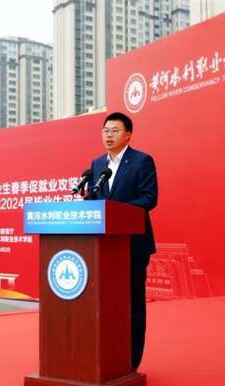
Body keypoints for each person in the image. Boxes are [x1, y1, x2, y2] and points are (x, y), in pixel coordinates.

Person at [87, 111, 158, 371]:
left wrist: (116, 212)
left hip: (132, 246)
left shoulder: (142, 161)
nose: (108, 135)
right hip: (103, 248)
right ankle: (108, 357)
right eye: (105, 131)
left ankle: (131, 362)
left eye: (114, 131)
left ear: (128, 134)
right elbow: (93, 199)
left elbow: (149, 198)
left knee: (132, 304)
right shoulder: (97, 165)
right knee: (106, 305)